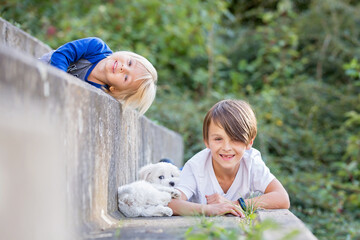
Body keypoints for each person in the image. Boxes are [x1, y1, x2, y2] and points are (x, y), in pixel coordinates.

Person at [168, 99, 290, 217]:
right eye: (218, 139)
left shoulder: (251, 162)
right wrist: (209, 209)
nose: (226, 148)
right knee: (170, 177)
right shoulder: (195, 166)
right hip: (186, 174)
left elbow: (282, 198)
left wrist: (235, 204)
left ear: (249, 142)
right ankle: (169, 165)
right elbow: (170, 203)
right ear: (207, 141)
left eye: (235, 139)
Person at [39, 37, 157, 114]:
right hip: (42, 70)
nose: (123, 68)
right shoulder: (96, 47)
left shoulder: (98, 93)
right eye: (129, 63)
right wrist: (60, 80)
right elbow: (62, 54)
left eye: (126, 77)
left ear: (114, 89)